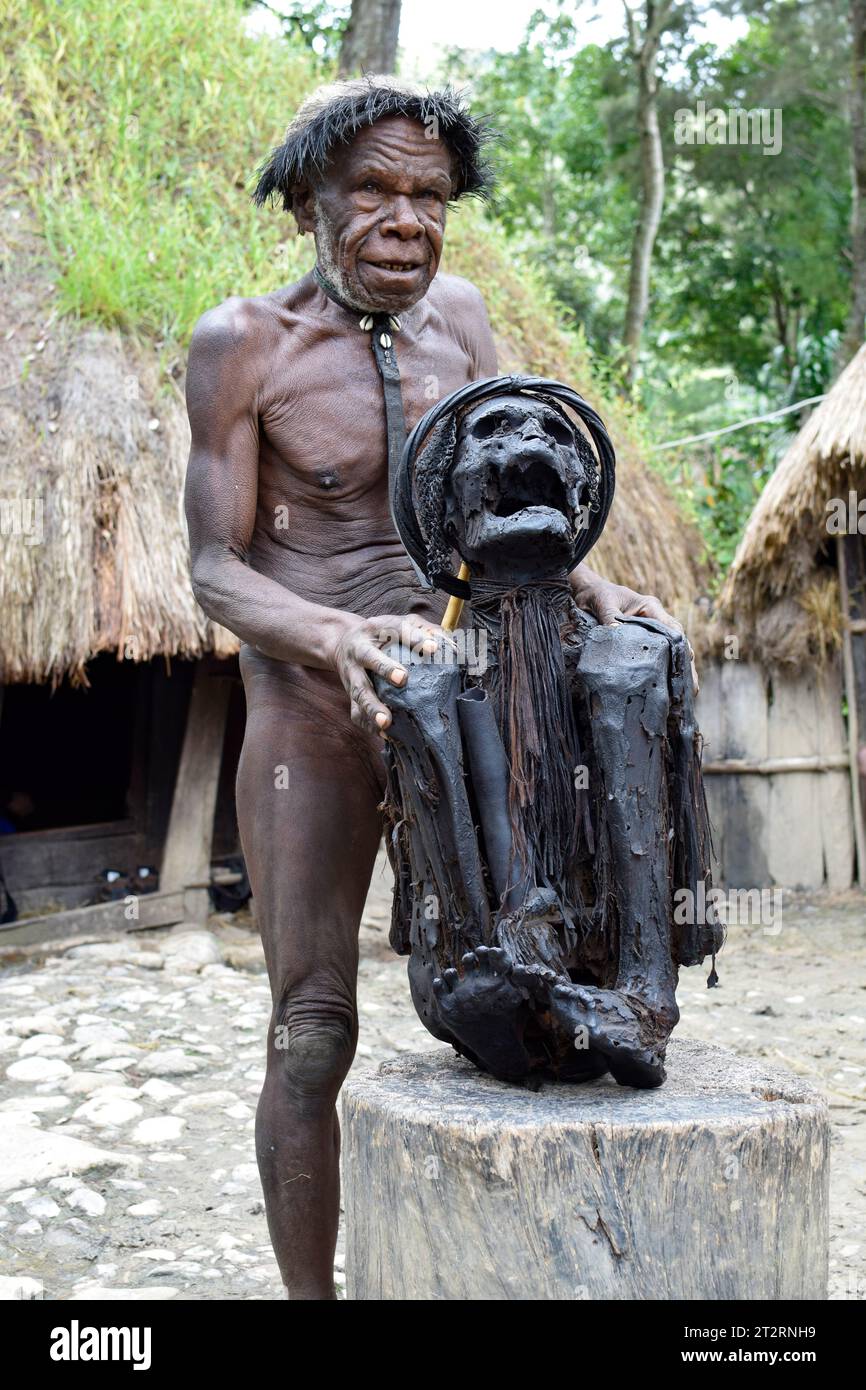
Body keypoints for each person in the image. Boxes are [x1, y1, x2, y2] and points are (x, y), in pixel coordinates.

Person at [184, 76, 692, 1300]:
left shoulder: (461, 318)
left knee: (550, 971)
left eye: (427, 195)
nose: (404, 219)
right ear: (309, 198)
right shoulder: (240, 343)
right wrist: (336, 638)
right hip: (314, 711)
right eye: (372, 191)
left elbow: (509, 493)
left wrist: (594, 586)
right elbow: (211, 570)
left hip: (467, 696)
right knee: (311, 1032)